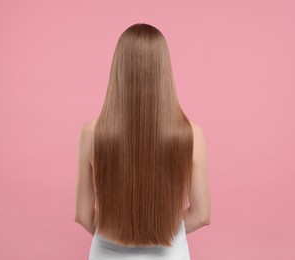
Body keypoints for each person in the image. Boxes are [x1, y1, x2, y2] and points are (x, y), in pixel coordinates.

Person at [75, 23, 211, 260]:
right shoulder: (191, 135)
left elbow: (83, 215)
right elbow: (201, 215)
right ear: (163, 70)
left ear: (119, 69)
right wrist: (165, 232)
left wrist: (119, 235)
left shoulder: (92, 133)